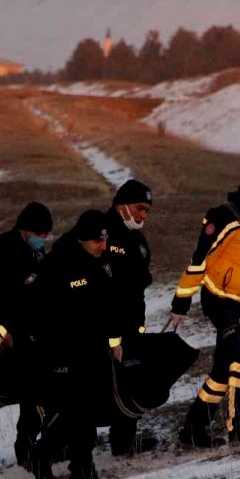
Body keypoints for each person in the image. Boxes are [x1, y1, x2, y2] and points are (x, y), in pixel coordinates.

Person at [169, 164, 240, 447]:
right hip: (221, 300)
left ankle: (193, 430)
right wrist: (181, 302)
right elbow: (199, 262)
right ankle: (239, 428)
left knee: (222, 370)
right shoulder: (222, 217)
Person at [25, 210, 123, 479]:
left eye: (104, 242)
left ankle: (42, 454)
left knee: (81, 411)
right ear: (81, 239)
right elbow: (38, 310)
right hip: (63, 351)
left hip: (93, 349)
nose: (102, 247)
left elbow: (107, 304)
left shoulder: (100, 261)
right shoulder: (57, 264)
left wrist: (113, 342)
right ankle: (82, 473)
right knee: (79, 412)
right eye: (97, 242)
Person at [0, 202, 53, 472]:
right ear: (24, 229)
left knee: (40, 390)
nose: (42, 240)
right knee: (36, 389)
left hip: (32, 334)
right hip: (3, 337)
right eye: (39, 234)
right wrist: (0, 329)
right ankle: (28, 448)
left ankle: (32, 445)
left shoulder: (36, 251)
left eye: (45, 236)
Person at [103, 180, 160, 456]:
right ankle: (71, 444)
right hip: (100, 324)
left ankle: (123, 440)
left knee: (131, 377)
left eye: (147, 211)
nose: (143, 216)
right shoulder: (101, 231)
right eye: (139, 208)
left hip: (131, 321)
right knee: (92, 384)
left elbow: (139, 281)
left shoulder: (138, 238)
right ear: (121, 204)